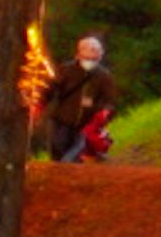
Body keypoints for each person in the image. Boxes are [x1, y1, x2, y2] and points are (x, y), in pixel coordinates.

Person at [40, 34, 116, 163]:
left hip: (85, 124)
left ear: (99, 57)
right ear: (79, 55)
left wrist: (105, 112)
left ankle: (69, 173)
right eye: (87, 58)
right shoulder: (66, 70)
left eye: (94, 59)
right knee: (58, 150)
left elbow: (109, 100)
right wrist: (40, 103)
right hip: (61, 120)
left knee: (74, 156)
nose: (90, 61)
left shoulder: (104, 77)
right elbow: (51, 89)